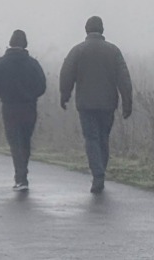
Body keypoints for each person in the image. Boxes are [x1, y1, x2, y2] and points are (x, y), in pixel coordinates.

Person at [59, 16, 133, 194]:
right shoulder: (113, 51)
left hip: (86, 104)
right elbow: (124, 78)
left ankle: (97, 174)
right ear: (102, 30)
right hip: (108, 104)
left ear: (86, 30)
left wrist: (65, 95)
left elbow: (66, 73)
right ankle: (101, 172)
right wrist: (127, 102)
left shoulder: (77, 51)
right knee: (103, 139)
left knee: (91, 139)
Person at [0, 30, 47, 192]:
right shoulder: (33, 64)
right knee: (26, 141)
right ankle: (23, 173)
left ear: (10, 42)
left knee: (15, 142)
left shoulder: (1, 64)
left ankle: (20, 177)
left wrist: (4, 95)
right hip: (29, 107)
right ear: (25, 44)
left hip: (9, 107)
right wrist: (31, 95)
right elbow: (42, 86)